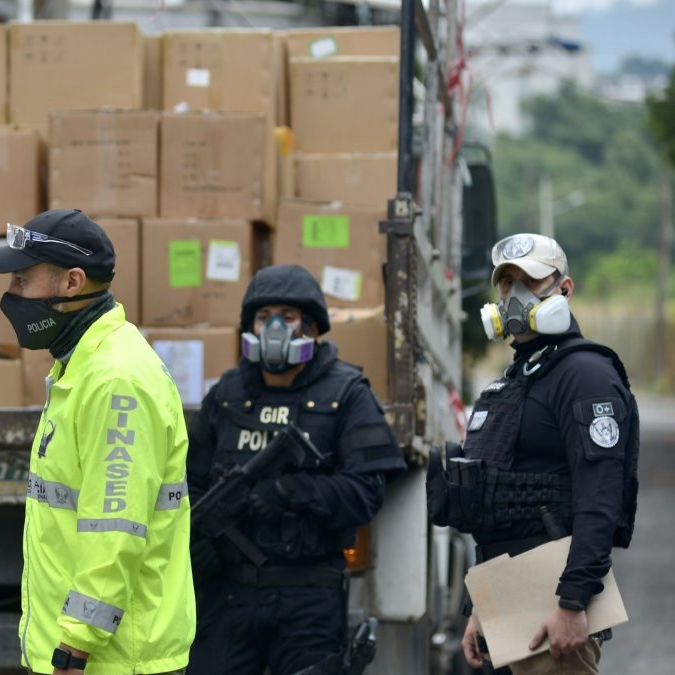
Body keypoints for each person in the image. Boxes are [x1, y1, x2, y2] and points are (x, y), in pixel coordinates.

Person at [0, 209, 195, 675]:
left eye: (21, 280)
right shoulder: (80, 364)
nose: (11, 295)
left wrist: (74, 648)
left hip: (110, 661)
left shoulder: (116, 380)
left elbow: (114, 530)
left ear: (72, 282)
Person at [185, 264, 406, 675]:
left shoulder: (347, 394)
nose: (274, 327)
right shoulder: (227, 396)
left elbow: (366, 493)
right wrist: (194, 539)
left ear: (312, 327)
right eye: (263, 316)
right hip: (228, 596)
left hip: (308, 596)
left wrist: (291, 492)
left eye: (286, 317)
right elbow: (189, 482)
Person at [434, 233, 639, 674]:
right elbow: (496, 505)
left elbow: (599, 495)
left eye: (529, 280)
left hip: (552, 607)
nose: (513, 294)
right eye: (506, 283)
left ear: (564, 288)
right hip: (505, 607)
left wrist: (573, 601)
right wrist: (480, 608)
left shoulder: (585, 374)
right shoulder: (519, 376)